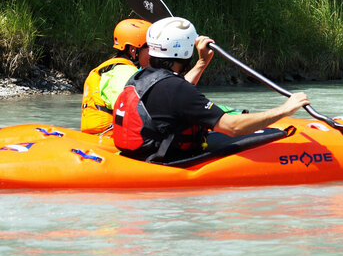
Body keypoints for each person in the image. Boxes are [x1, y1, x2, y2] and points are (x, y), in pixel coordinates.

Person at [111, 16, 310, 163]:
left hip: (141, 154)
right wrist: (285, 110)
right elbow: (232, 127)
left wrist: (202, 63)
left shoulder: (140, 77)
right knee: (266, 134)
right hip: (168, 160)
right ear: (185, 50)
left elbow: (175, 96)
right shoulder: (175, 89)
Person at [80, 19, 151, 134]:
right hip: (108, 139)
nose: (154, 53)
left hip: (97, 136)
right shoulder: (125, 72)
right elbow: (126, 109)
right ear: (133, 49)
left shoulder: (112, 67)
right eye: (150, 47)